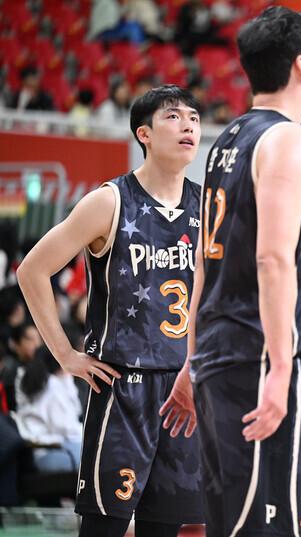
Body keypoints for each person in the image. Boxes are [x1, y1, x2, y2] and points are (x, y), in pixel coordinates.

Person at [159, 6, 301, 537]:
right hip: (259, 357)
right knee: (268, 526)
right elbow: (272, 259)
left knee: (231, 524)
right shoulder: (288, 141)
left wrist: (192, 359)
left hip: (220, 354)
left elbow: (205, 265)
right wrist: (280, 367)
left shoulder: (227, 140)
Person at [17, 84, 204, 537]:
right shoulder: (110, 201)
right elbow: (32, 270)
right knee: (104, 527)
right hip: (123, 387)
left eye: (194, 118)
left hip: (183, 387)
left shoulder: (209, 206)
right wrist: (65, 355)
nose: (188, 126)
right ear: (144, 133)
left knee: (166, 528)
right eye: (173, 116)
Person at [14, 346, 83, 473]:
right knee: (97, 456)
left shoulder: (27, 377)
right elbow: (67, 427)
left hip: (38, 452)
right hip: (52, 452)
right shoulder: (52, 386)